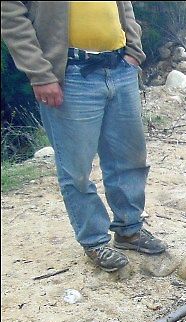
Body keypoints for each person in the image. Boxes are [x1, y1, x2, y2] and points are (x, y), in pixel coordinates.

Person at [1, 1, 166, 272]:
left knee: (130, 158)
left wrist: (134, 49)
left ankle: (129, 229)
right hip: (71, 73)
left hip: (119, 67)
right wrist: (41, 74)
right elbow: (11, 14)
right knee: (76, 169)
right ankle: (95, 241)